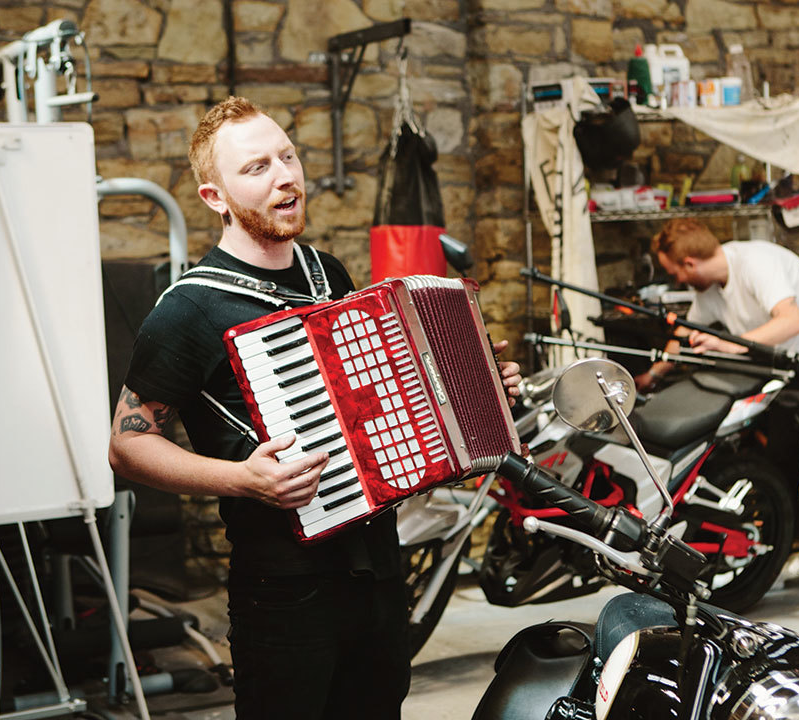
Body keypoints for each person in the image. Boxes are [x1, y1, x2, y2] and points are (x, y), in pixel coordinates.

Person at [107, 96, 523, 719]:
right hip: (285, 587)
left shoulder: (327, 272)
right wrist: (242, 478)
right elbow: (127, 445)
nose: (285, 176)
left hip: (381, 571)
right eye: (257, 168)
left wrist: (476, 389)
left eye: (288, 156)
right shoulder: (187, 310)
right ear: (214, 197)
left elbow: (375, 399)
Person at [636, 218, 799, 614]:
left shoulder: (757, 263)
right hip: (780, 369)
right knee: (779, 462)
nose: (674, 279)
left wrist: (731, 345)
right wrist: (651, 376)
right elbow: (688, 333)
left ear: (689, 264)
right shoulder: (710, 288)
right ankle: (779, 556)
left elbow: (789, 321)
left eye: (674, 271)